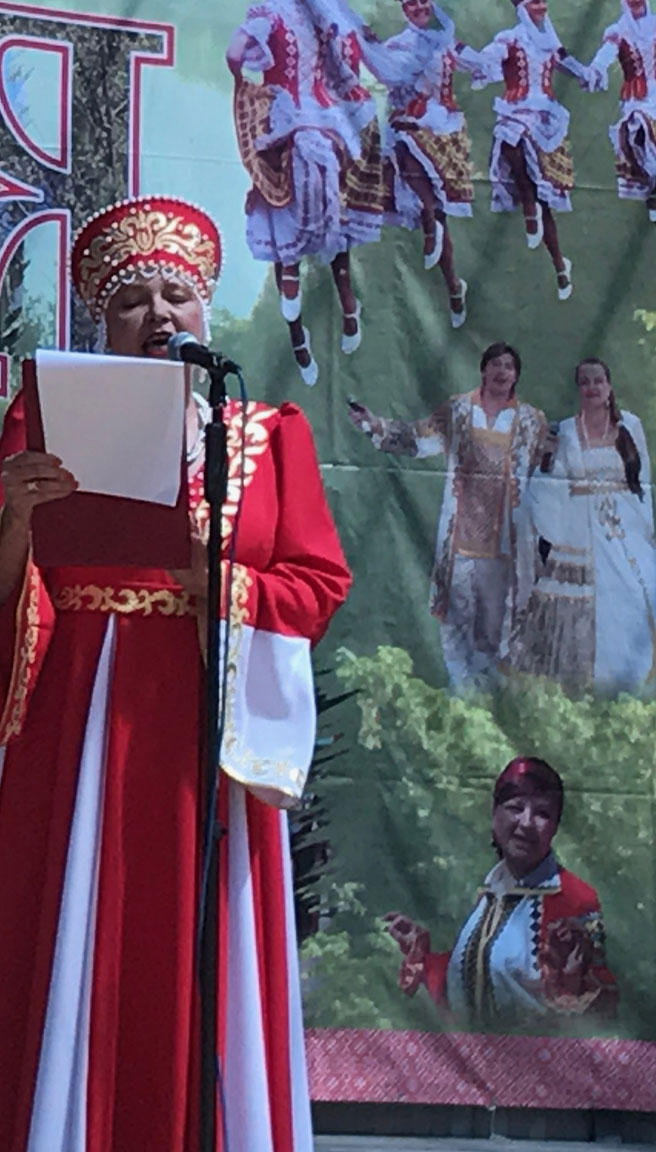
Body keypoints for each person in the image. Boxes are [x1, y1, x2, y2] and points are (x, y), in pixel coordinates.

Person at [0, 196, 351, 1152]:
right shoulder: (44, 417)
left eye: (176, 296)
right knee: (58, 925)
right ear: (101, 323)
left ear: (206, 313)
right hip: (71, 713)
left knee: (191, 942)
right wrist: (19, 517)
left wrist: (217, 578)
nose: (158, 314)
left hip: (198, 714)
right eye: (130, 300)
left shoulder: (268, 432)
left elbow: (317, 584)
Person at [350, 343, 550, 688]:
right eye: (496, 364)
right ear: (483, 370)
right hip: (461, 540)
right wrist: (373, 425)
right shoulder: (458, 411)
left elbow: (551, 474)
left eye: (509, 366)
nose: (502, 371)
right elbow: (416, 439)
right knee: (456, 626)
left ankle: (492, 700)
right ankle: (461, 695)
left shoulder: (532, 421)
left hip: (505, 542)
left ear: (517, 375)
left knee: (497, 626)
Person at [385, 757, 618, 1023]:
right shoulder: (491, 893)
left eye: (542, 813)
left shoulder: (574, 899)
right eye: (516, 807)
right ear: (495, 814)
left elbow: (597, 1006)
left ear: (555, 826)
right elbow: (472, 978)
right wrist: (419, 953)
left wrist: (573, 986)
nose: (527, 822)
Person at [228, 0, 381, 384]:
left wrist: (242, 70)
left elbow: (350, 63)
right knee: (285, 209)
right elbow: (236, 52)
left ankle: (348, 306)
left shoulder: (327, 13)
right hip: (288, 117)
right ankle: (299, 332)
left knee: (331, 202)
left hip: (319, 115)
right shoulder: (273, 12)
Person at [510, 358, 656, 695]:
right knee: (586, 606)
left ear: (609, 386)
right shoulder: (564, 432)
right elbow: (549, 489)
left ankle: (632, 683)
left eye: (598, 381)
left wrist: (646, 530)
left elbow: (644, 483)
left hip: (625, 529)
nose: (592, 388)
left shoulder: (630, 425)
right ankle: (589, 686)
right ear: (578, 389)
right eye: (585, 382)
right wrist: (546, 460)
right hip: (580, 530)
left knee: (635, 596)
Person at [356, 0, 489, 327]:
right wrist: (368, 44)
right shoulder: (399, 45)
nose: (418, 7)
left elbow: (479, 64)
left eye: (422, 1)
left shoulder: (446, 41)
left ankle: (452, 280)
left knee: (437, 212)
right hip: (410, 127)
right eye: (411, 4)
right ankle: (446, 263)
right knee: (403, 138)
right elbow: (384, 71)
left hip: (444, 129)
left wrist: (487, 64)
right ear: (404, 11)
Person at [480, 0, 599, 300]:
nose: (541, 5)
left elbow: (567, 63)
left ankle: (560, 264)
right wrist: (480, 62)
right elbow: (489, 57)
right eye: (535, 1)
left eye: (543, 0)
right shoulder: (511, 38)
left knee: (543, 195)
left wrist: (586, 74)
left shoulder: (550, 43)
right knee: (509, 135)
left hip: (545, 116)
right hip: (516, 109)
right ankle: (529, 207)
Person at [586, 0, 656, 220]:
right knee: (639, 129)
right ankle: (652, 182)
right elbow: (605, 55)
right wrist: (597, 69)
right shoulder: (618, 31)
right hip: (637, 98)